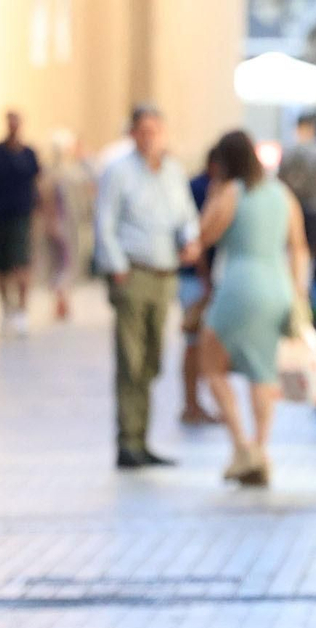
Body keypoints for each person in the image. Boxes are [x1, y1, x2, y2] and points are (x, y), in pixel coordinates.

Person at [197, 129, 309, 486]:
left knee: (211, 363)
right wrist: (297, 290)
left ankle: (242, 445)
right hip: (278, 286)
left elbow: (206, 235)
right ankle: (261, 449)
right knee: (263, 371)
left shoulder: (231, 192)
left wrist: (213, 195)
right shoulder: (282, 193)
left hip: (240, 283)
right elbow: (299, 246)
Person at [93, 104, 200, 469]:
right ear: (133, 133)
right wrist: (117, 267)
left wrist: (190, 240)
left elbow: (186, 215)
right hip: (134, 272)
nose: (150, 136)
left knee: (152, 360)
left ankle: (143, 436)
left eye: (156, 129)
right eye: (143, 130)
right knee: (131, 360)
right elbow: (104, 221)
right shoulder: (119, 172)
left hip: (164, 274)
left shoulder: (172, 172)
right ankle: (128, 440)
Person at [0, 110, 41, 336]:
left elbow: (37, 185)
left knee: (22, 264)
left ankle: (22, 310)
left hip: (22, 215)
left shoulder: (29, 155)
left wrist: (41, 214)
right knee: (2, 268)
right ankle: (7, 308)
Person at [177, 147, 222, 425]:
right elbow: (197, 237)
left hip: (206, 278)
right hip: (197, 278)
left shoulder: (220, 190)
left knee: (203, 344)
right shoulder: (201, 189)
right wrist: (206, 279)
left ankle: (196, 403)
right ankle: (192, 404)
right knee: (195, 342)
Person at [42, 130, 93, 322]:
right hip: (61, 223)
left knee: (65, 262)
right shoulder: (56, 172)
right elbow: (47, 198)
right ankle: (61, 298)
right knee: (63, 262)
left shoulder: (71, 170)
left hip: (70, 222)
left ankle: (63, 298)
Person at [277, 114, 316, 268]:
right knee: (307, 247)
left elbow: (280, 179)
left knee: (295, 245)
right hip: (311, 205)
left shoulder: (291, 149)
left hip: (298, 204)